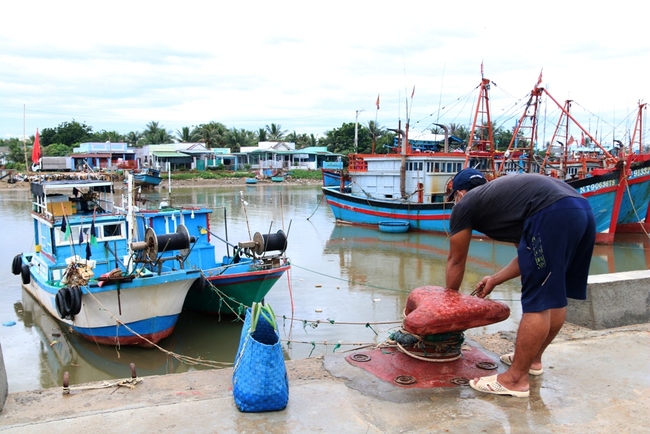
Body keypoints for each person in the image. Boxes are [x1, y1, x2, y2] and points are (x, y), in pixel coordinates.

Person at [445, 168, 595, 398]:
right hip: (581, 209)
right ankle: (532, 360)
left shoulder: (465, 205)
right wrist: (494, 279)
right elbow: (529, 257)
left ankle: (515, 379)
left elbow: (456, 260)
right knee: (554, 293)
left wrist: (448, 304)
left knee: (539, 299)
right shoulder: (505, 199)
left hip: (552, 212)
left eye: (454, 197)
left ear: (460, 193)